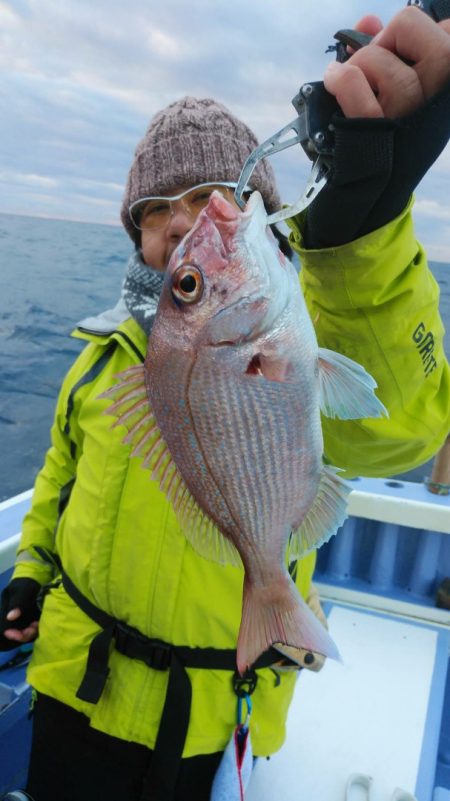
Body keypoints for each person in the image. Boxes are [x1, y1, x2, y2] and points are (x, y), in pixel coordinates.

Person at [1, 7, 449, 801]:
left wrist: (358, 240)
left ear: (264, 211)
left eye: (210, 195)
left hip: (210, 704)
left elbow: (398, 431)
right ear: (136, 237)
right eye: (156, 210)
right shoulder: (101, 359)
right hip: (77, 686)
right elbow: (56, 482)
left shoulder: (308, 321)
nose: (184, 221)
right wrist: (29, 574)